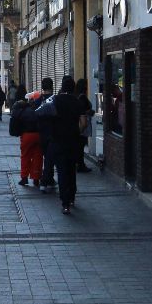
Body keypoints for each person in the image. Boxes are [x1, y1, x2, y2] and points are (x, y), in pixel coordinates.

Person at [51, 76, 86, 215]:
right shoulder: (77, 102)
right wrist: (77, 132)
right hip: (73, 141)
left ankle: (65, 202)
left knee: (61, 171)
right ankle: (71, 197)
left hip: (58, 141)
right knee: (71, 170)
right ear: (73, 88)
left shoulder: (55, 101)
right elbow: (84, 123)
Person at [11, 85, 41, 187]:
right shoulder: (39, 109)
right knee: (38, 157)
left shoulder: (23, 110)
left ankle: (24, 178)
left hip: (26, 135)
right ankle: (36, 178)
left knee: (25, 156)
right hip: (38, 135)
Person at [34, 77, 56, 193]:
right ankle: (44, 181)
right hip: (52, 133)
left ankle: (50, 180)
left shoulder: (38, 100)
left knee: (47, 157)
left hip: (40, 133)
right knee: (49, 159)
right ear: (52, 86)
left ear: (42, 87)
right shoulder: (55, 100)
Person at [75, 79, 95, 173]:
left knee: (78, 146)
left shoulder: (76, 96)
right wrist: (89, 112)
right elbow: (82, 111)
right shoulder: (82, 97)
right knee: (80, 146)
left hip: (78, 124)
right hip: (82, 124)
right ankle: (80, 164)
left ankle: (78, 163)